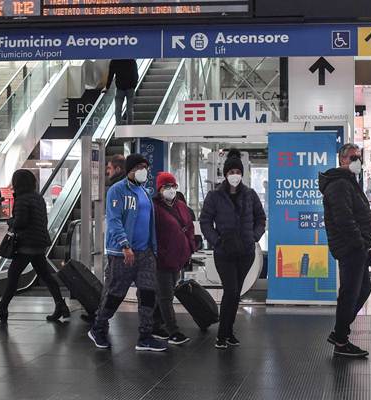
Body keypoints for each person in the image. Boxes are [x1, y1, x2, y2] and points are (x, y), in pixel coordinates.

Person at [88, 154, 166, 352]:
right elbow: (113, 220)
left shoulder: (145, 192)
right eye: (139, 166)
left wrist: (153, 248)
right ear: (130, 169)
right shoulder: (117, 190)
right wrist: (124, 245)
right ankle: (98, 327)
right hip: (123, 253)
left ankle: (145, 335)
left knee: (148, 293)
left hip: (145, 252)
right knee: (115, 293)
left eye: (145, 166)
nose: (143, 170)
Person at [200, 148, 266, 350]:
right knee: (231, 290)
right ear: (225, 174)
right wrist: (216, 241)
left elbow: (261, 218)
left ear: (242, 174)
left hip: (245, 253)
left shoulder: (250, 195)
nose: (234, 176)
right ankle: (222, 334)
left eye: (237, 172)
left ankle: (228, 332)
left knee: (236, 294)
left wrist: (253, 237)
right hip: (224, 253)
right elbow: (205, 221)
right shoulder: (214, 196)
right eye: (231, 172)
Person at [0, 170, 69, 323]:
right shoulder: (38, 198)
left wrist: (10, 221)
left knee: (13, 275)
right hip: (39, 242)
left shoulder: (22, 199)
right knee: (45, 276)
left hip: (27, 244)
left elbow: (20, 222)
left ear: (18, 183)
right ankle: (61, 305)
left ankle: (2, 308)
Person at [319, 143, 371, 358]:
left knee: (361, 290)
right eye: (352, 157)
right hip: (350, 247)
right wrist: (360, 242)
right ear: (342, 160)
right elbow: (344, 219)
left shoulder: (348, 182)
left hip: (355, 247)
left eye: (359, 157)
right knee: (350, 293)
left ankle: (339, 333)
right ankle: (341, 339)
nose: (357, 161)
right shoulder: (339, 185)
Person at [151, 172, 196, 346]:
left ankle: (155, 325)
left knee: (164, 293)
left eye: (173, 186)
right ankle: (173, 331)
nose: (171, 189)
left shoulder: (181, 206)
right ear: (160, 189)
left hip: (178, 258)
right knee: (166, 296)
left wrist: (190, 248)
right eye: (166, 186)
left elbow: (189, 227)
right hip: (161, 259)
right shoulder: (153, 208)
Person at [103, 59, 138, 125]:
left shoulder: (114, 61)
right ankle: (129, 127)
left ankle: (119, 127)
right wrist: (133, 86)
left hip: (120, 89)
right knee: (129, 109)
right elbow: (135, 74)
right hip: (130, 88)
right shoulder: (131, 60)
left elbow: (110, 75)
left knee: (118, 110)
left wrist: (107, 87)